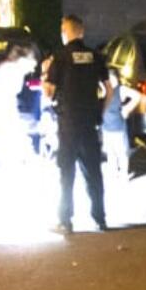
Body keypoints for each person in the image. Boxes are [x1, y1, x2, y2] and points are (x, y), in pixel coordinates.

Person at [43, 15, 111, 234]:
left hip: (68, 124)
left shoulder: (60, 58)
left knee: (67, 174)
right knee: (94, 172)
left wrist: (46, 73)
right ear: (82, 32)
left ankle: (65, 220)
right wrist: (100, 111)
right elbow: (109, 89)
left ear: (66, 32)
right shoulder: (95, 56)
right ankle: (100, 219)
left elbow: (48, 93)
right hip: (90, 124)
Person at [0, 44, 37, 166]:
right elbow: (6, 105)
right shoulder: (13, 73)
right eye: (32, 65)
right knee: (17, 142)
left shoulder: (7, 70)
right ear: (23, 61)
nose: (33, 70)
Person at [102, 67, 141, 181]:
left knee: (122, 153)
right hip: (106, 128)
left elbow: (137, 96)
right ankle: (113, 172)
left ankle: (123, 173)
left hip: (118, 128)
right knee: (110, 152)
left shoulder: (121, 90)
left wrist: (128, 108)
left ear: (115, 78)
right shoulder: (104, 90)